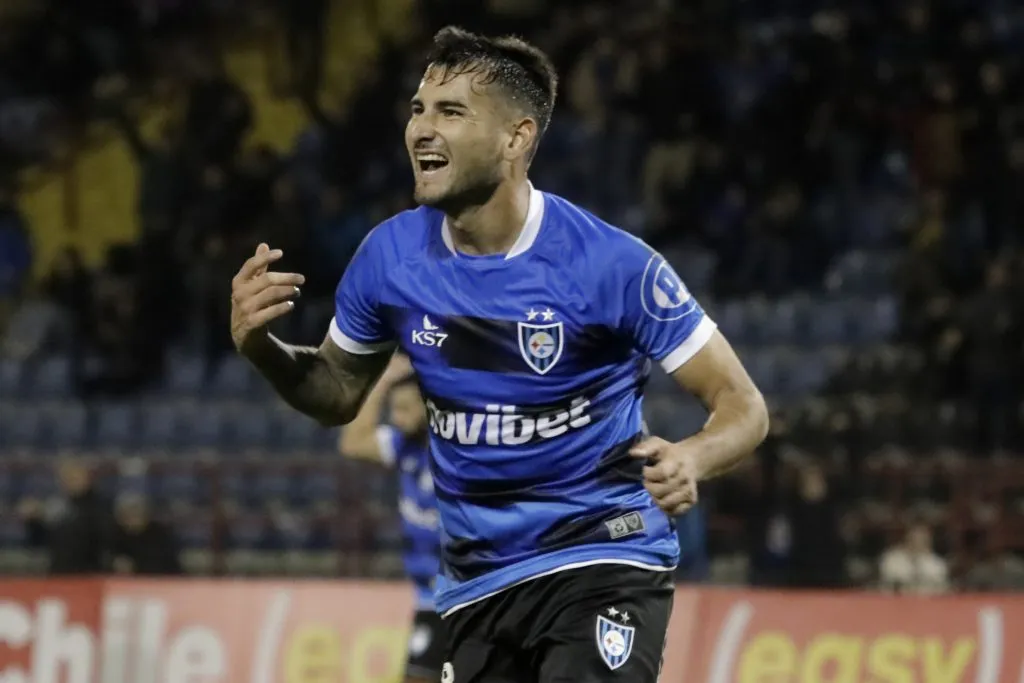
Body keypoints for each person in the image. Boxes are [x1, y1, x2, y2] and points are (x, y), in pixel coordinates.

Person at [230, 26, 768, 683]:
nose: (422, 129)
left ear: (517, 138)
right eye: (418, 109)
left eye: (451, 112)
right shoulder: (389, 258)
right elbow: (337, 393)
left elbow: (743, 404)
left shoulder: (610, 264)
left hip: (601, 554)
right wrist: (261, 347)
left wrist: (692, 456)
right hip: (476, 584)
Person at [337, 351, 442, 683]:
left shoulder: (452, 449)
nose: (396, 418)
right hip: (427, 595)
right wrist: (381, 385)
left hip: (458, 590)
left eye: (405, 409)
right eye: (394, 409)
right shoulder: (403, 446)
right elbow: (353, 442)